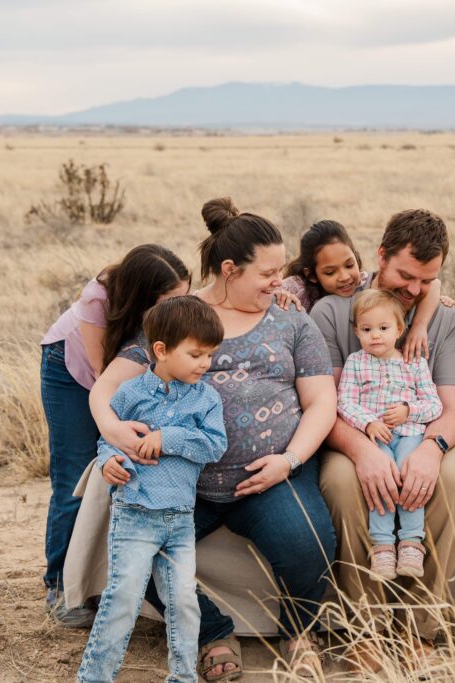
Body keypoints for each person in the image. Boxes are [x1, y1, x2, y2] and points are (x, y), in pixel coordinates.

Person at [97, 197, 338, 681]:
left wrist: (288, 461)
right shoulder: (179, 316)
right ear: (229, 269)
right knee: (136, 557)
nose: (280, 281)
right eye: (267, 273)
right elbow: (107, 386)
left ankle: (298, 632)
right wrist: (112, 429)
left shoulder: (292, 320)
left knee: (309, 543)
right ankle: (211, 632)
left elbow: (321, 403)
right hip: (185, 479)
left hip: (269, 474)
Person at [310, 208, 455, 669]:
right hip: (351, 433)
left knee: (450, 484)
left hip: (422, 431)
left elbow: (454, 407)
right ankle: (365, 629)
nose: (415, 290)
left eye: (428, 280)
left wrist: (431, 449)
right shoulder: (333, 310)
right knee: (343, 485)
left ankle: (418, 629)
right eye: (406, 275)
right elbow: (325, 403)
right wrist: (363, 450)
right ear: (380, 256)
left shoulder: (442, 319)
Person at [39, 244, 190, 626]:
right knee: (75, 474)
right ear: (143, 296)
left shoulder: (165, 299)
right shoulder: (97, 298)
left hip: (120, 374)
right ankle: (60, 587)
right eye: (170, 300)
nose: (179, 307)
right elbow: (102, 375)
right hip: (72, 373)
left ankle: (99, 579)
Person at [78, 297, 227, 683]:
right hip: (134, 514)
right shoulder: (130, 394)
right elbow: (109, 439)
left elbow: (214, 446)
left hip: (179, 520)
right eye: (196, 354)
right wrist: (111, 460)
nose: (205, 363)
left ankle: (182, 677)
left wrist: (168, 437)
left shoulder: (207, 399)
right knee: (122, 599)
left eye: (210, 354)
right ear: (161, 350)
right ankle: (94, 677)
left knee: (184, 603)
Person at [336, 289, 443, 581]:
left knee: (410, 476)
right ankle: (382, 547)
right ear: (357, 331)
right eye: (367, 329)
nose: (375, 336)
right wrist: (369, 423)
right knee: (381, 480)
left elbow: (435, 405)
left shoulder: (413, 362)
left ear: (399, 329)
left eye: (383, 328)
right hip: (376, 439)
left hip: (410, 434)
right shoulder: (356, 363)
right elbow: (345, 401)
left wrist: (409, 410)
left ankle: (411, 543)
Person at [280, 219, 454, 361]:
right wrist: (279, 296)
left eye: (349, 265)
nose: (344, 277)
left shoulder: (361, 283)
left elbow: (435, 285)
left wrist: (419, 325)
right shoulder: (296, 288)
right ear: (311, 275)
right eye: (330, 272)